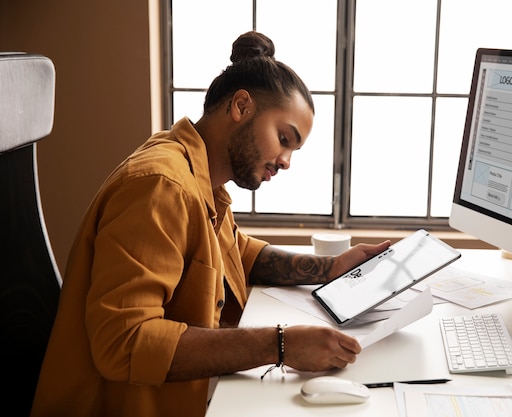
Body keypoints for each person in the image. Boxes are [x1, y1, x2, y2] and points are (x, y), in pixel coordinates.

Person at [31, 31, 390, 417]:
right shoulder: (161, 186)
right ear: (240, 106)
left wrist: (330, 269)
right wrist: (281, 345)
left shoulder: (199, 174)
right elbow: (125, 343)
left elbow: (235, 249)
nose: (286, 161)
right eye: (284, 138)